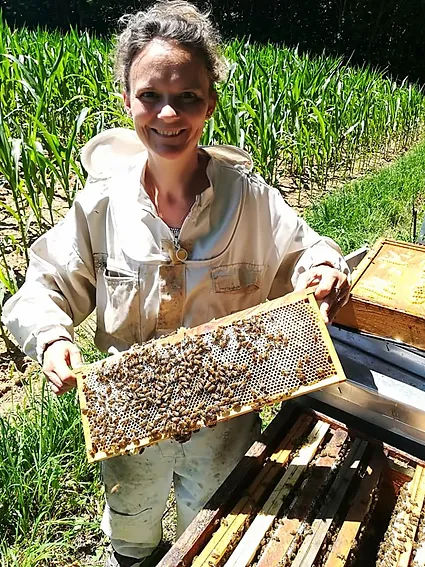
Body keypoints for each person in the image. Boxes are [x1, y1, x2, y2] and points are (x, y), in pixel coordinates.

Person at [2, 2, 350, 566]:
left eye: (187, 96)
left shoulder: (251, 199)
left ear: (209, 104)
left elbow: (308, 251)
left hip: (227, 415)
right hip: (125, 412)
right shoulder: (101, 205)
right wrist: (51, 338)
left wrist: (324, 270)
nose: (168, 113)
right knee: (132, 519)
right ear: (126, 99)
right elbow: (45, 286)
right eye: (150, 96)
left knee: (211, 523)